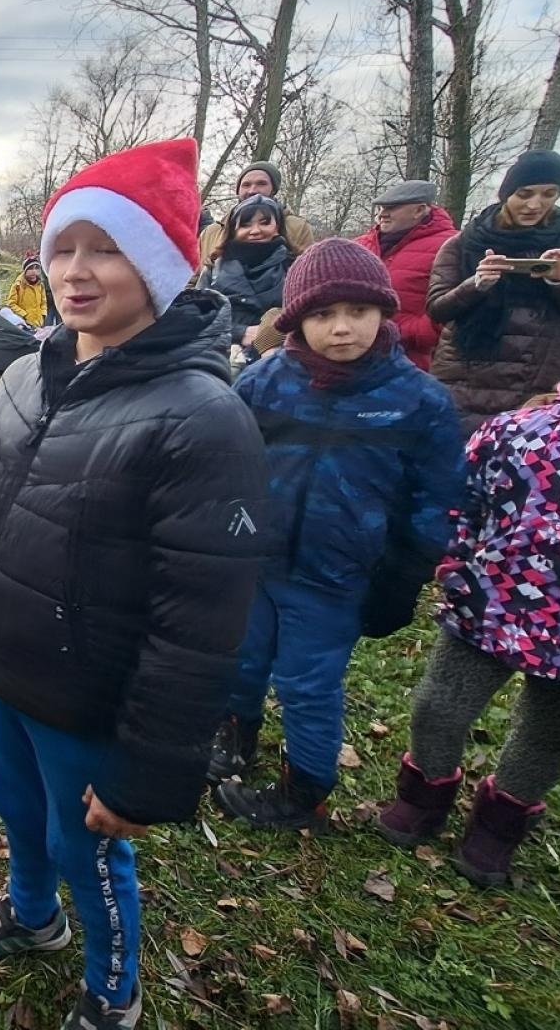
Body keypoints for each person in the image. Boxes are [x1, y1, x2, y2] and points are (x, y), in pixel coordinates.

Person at [0, 139, 269, 1030]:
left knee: (90, 850)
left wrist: (147, 772)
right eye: (63, 248)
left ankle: (113, 988)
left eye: (105, 249)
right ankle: (33, 916)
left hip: (87, 698)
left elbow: (199, 624)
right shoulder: (24, 375)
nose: (76, 271)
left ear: (158, 265)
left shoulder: (203, 417)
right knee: (18, 812)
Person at [209, 240, 464, 829]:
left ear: (384, 312)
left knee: (307, 683)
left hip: (337, 579)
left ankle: (305, 788)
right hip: (255, 565)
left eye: (358, 311)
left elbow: (437, 498)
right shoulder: (265, 382)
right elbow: (225, 463)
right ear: (296, 319)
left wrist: (402, 577)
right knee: (241, 659)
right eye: (323, 314)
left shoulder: (418, 401)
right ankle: (235, 735)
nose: (342, 328)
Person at [377, 282, 560, 886]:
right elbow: (465, 497)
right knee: (440, 705)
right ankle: (425, 792)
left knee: (548, 731)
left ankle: (500, 822)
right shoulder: (523, 430)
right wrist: (452, 558)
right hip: (493, 597)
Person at [427, 151, 560, 437]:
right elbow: (437, 308)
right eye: (525, 194)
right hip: (465, 373)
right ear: (507, 193)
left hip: (538, 378)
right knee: (454, 450)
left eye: (549, 194)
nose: (535, 204)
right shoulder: (463, 243)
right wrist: (476, 284)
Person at [355, 180, 458, 370]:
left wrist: (407, 332)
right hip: (354, 357)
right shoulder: (360, 245)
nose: (382, 214)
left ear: (419, 210)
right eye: (381, 207)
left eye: (392, 208)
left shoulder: (451, 246)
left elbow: (455, 305)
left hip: (411, 363)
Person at [196, 194, 294, 359]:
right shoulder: (213, 268)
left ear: (277, 226)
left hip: (279, 357)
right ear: (233, 230)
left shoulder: (294, 266)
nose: (255, 231)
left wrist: (270, 338)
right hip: (219, 356)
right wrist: (239, 332)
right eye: (245, 225)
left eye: (264, 223)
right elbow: (198, 317)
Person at [196, 161, 315, 263]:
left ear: (273, 189)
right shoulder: (211, 233)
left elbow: (307, 273)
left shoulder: (297, 227)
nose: (252, 190)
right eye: (246, 185)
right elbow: (195, 277)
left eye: (261, 184)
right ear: (238, 190)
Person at [4, 253, 49, 327]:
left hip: (39, 323)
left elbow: (43, 302)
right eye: (30, 268)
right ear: (25, 270)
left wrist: (43, 314)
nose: (34, 271)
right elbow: (11, 304)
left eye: (36, 268)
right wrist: (24, 315)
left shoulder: (40, 285)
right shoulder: (18, 285)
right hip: (24, 324)